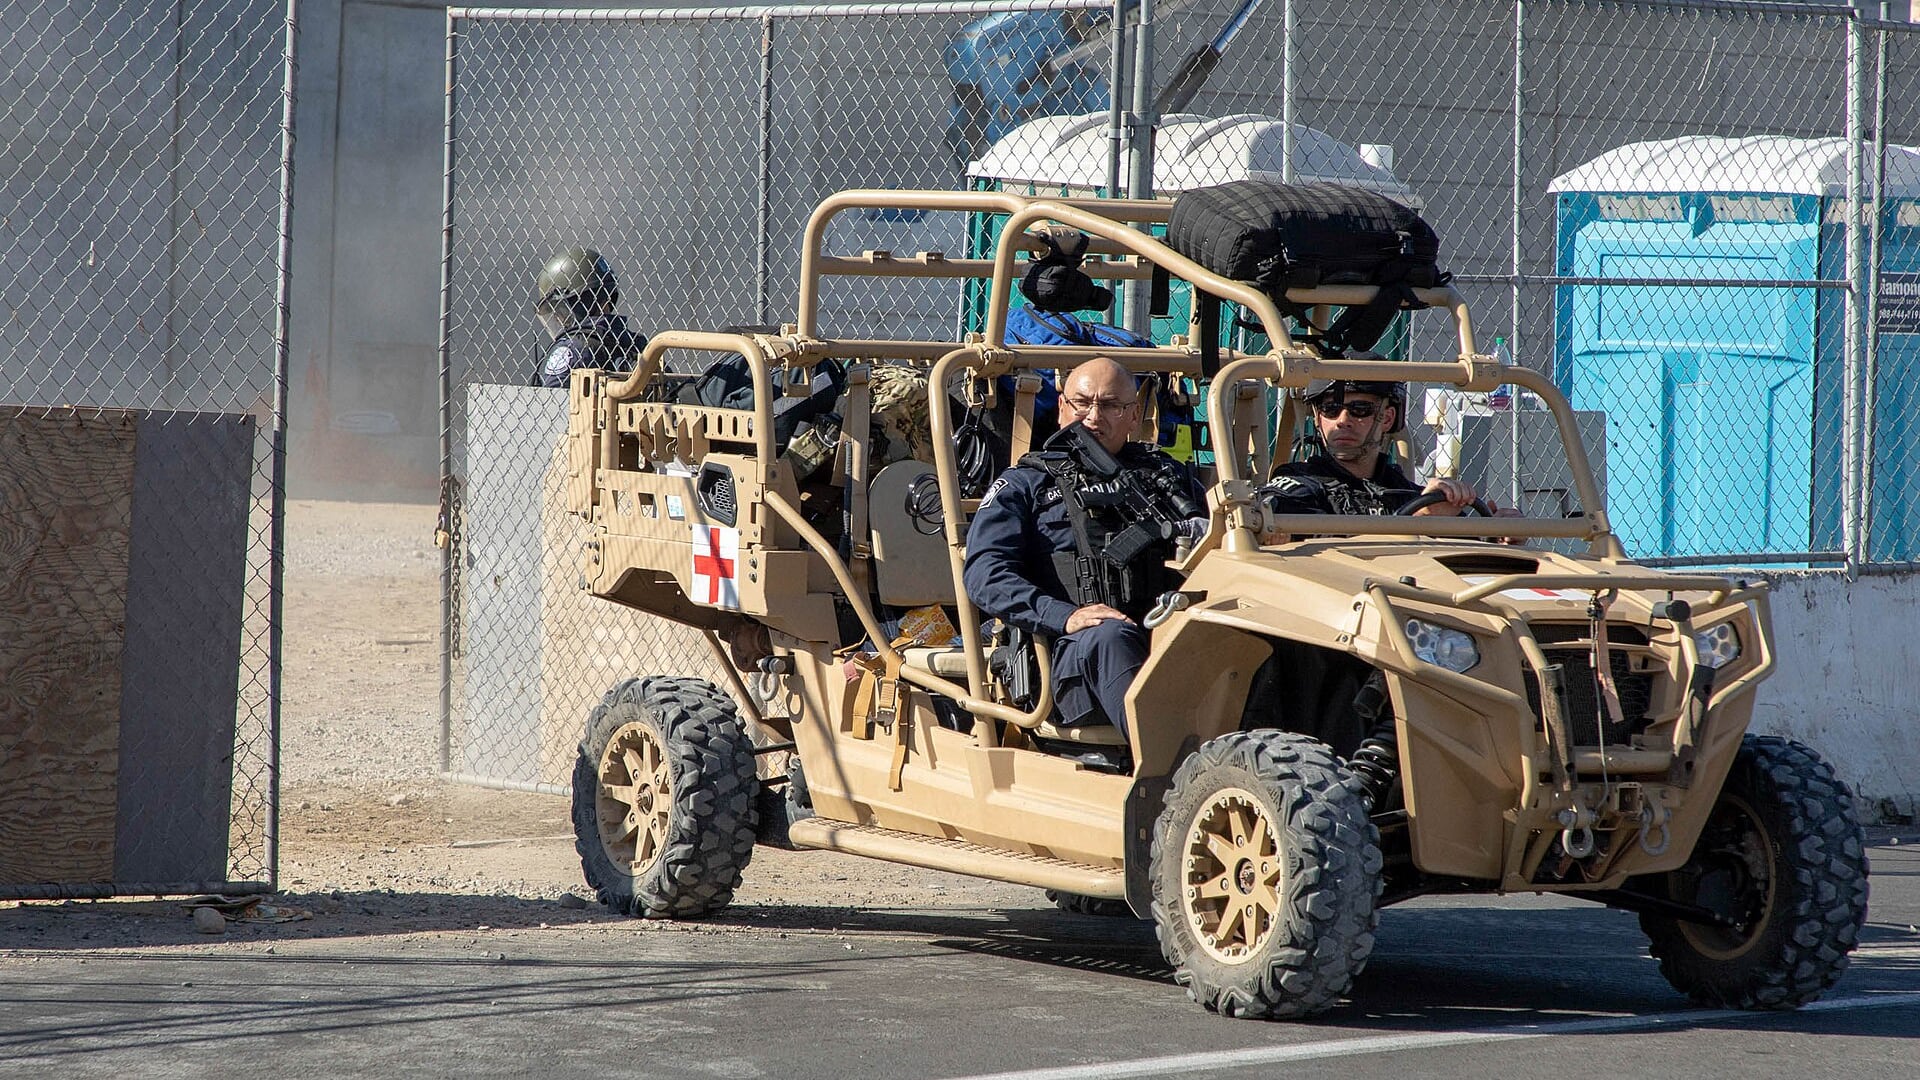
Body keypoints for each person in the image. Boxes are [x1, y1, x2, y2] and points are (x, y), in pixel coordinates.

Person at [963, 357, 1207, 741]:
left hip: (1165, 637)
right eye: (1082, 402)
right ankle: (1176, 769)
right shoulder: (1026, 484)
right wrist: (1064, 616)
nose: (1094, 416)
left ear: (1133, 415)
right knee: (1108, 637)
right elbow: (984, 576)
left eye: (1111, 405)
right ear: (1062, 408)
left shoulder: (1167, 479)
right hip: (1070, 657)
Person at [1258, 379, 1492, 528]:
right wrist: (1418, 523)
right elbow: (1322, 557)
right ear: (1318, 418)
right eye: (1330, 409)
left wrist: (1494, 539)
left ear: (1387, 418)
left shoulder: (1409, 494)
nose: (1342, 421)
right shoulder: (1298, 491)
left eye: (1359, 409)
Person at [530, 247, 646, 388]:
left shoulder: (571, 349)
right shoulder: (639, 346)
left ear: (581, 301)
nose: (559, 318)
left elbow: (550, 401)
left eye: (561, 311)